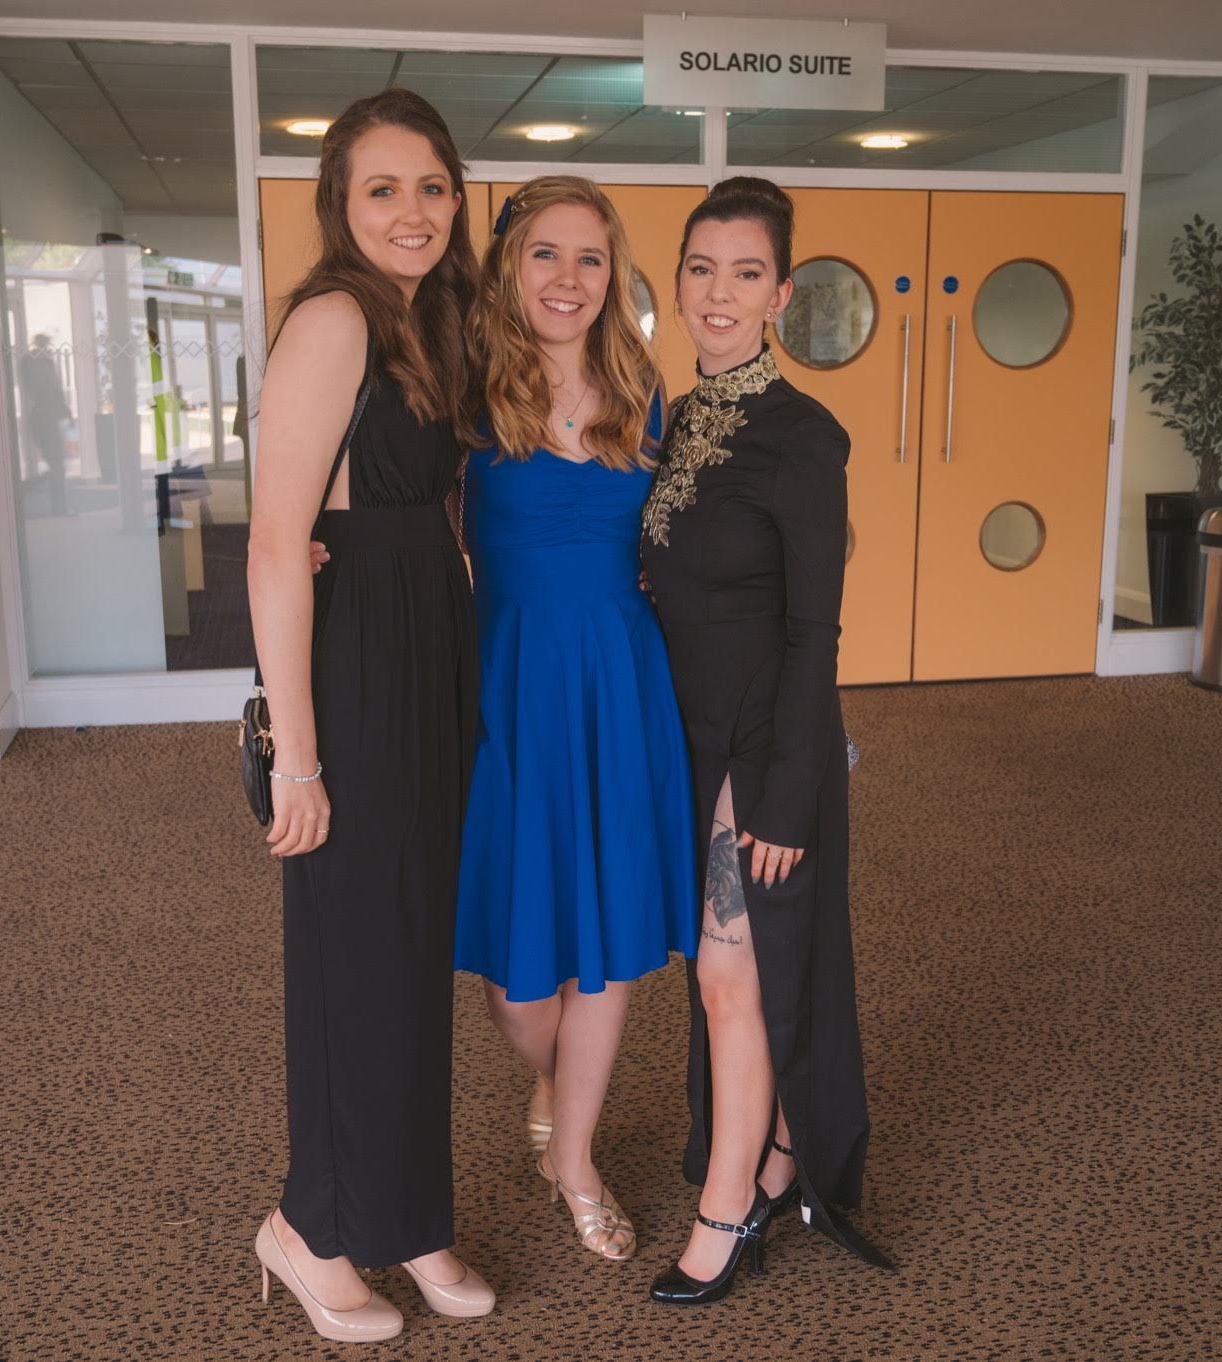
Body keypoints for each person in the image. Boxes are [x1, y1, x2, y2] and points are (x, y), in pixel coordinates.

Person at [244, 87, 494, 1345]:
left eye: (432, 186)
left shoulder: (427, 319)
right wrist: (298, 756)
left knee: (408, 953)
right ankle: (312, 1226)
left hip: (425, 650)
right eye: (383, 189)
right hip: (354, 675)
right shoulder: (337, 318)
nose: (412, 210)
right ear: (341, 205)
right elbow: (278, 549)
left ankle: (404, 1213)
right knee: (355, 958)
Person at [639, 177, 891, 1305]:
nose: (718, 294)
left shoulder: (803, 436)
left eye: (744, 274)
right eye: (700, 269)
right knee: (717, 974)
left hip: (757, 748)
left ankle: (726, 1209)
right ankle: (776, 1151)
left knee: (730, 983)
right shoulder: (680, 417)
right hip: (683, 736)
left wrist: (788, 797)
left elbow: (813, 632)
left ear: (780, 294)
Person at [452, 176, 696, 1263]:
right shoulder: (463, 392)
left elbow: (684, 538)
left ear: (613, 273)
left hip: (616, 679)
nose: (566, 278)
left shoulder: (646, 389)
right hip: (503, 679)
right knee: (518, 977)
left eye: (588, 258)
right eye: (544, 254)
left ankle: (576, 1159)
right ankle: (553, 1083)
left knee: (600, 944)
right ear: (511, 266)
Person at [18, 333, 70, 515]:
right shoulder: (35, 363)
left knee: (57, 465)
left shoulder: (38, 363)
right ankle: (58, 506)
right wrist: (63, 413)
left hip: (46, 417)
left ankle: (59, 506)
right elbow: (51, 389)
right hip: (44, 418)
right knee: (57, 465)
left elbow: (55, 390)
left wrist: (63, 413)